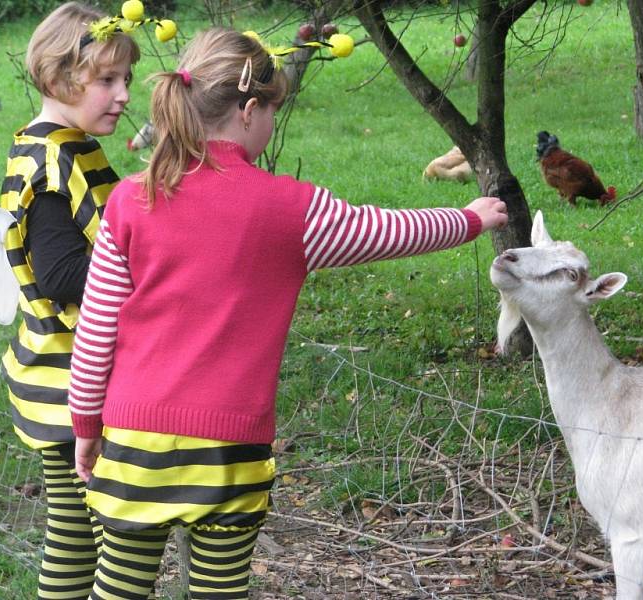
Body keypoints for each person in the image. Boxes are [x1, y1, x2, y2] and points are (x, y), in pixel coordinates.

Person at [67, 27, 508, 600]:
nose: (271, 120)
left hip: (134, 444)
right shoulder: (292, 211)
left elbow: (96, 331)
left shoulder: (130, 199)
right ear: (249, 110)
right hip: (231, 453)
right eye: (273, 109)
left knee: (118, 591)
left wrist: (84, 427)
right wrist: (471, 218)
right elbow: (390, 230)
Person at [0, 3, 140, 599]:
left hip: (57, 376)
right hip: (68, 380)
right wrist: (151, 261)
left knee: (75, 535)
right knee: (107, 535)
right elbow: (62, 276)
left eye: (126, 79)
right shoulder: (56, 158)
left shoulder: (60, 142)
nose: (124, 94)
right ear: (59, 81)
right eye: (108, 80)